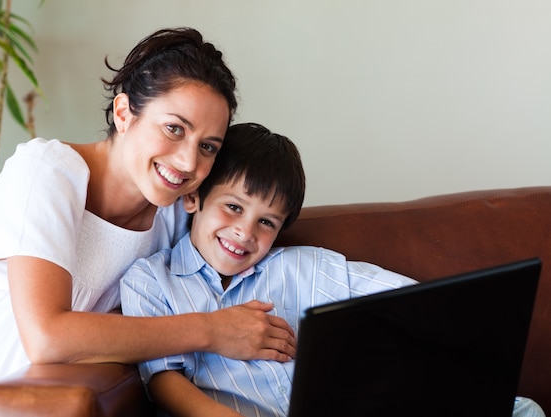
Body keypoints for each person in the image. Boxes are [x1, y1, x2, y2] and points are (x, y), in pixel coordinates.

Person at [0, 28, 296, 417]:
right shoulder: (47, 173)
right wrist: (213, 330)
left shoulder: (173, 216)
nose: (189, 162)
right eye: (174, 128)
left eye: (207, 147)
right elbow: (46, 337)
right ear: (123, 113)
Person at [120, 123, 546, 417]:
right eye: (233, 207)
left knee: (521, 408)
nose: (245, 233)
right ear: (193, 198)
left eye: (266, 222)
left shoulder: (306, 268)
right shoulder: (151, 281)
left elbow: (415, 304)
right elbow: (164, 383)